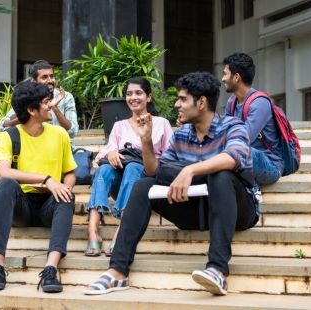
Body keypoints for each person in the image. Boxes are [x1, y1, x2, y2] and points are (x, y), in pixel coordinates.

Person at [83, 72, 259, 296]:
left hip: (238, 211)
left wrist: (190, 170)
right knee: (143, 185)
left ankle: (217, 269)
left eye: (182, 99)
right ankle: (118, 271)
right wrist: (146, 142)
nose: (177, 104)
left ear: (202, 102)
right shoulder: (182, 134)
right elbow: (156, 171)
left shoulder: (233, 126)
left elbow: (233, 157)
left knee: (221, 175)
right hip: (193, 209)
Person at [0, 80, 77, 293]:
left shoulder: (59, 134)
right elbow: (3, 172)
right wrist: (45, 179)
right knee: (6, 184)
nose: (51, 105)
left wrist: (64, 188)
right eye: (46, 102)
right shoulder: (6, 136)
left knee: (67, 195)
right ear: (31, 110)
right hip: (21, 206)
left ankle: (50, 268)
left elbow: (70, 172)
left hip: (49, 205)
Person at [85, 77, 173, 257]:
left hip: (147, 183)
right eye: (129, 93)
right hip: (122, 183)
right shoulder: (119, 126)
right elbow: (102, 155)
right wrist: (110, 154)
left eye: (138, 93)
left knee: (133, 167)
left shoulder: (161, 123)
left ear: (148, 97)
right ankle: (92, 232)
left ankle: (121, 232)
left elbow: (171, 157)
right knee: (103, 169)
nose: (133, 97)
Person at [222, 52, 283, 185]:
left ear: (236, 77)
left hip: (269, 164)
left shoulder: (260, 103)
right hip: (239, 158)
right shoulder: (232, 102)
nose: (223, 79)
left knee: (240, 150)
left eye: (225, 74)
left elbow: (244, 138)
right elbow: (222, 131)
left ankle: (252, 194)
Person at [0, 60, 79, 138]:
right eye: (44, 77)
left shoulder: (66, 96)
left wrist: (54, 108)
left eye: (52, 76)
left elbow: (73, 131)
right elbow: (2, 126)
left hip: (61, 147)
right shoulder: (28, 97)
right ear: (34, 81)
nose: (50, 80)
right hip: (33, 146)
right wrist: (25, 113)